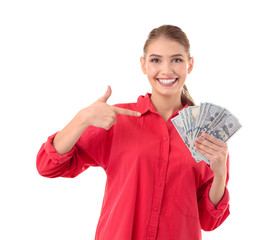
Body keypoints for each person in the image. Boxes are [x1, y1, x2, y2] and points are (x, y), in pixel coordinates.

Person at [37, 25, 230, 240]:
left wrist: (220, 173)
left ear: (190, 65)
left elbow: (209, 221)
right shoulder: (117, 119)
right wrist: (82, 118)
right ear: (143, 64)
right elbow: (48, 166)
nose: (166, 70)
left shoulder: (207, 132)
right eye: (156, 60)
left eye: (176, 60)